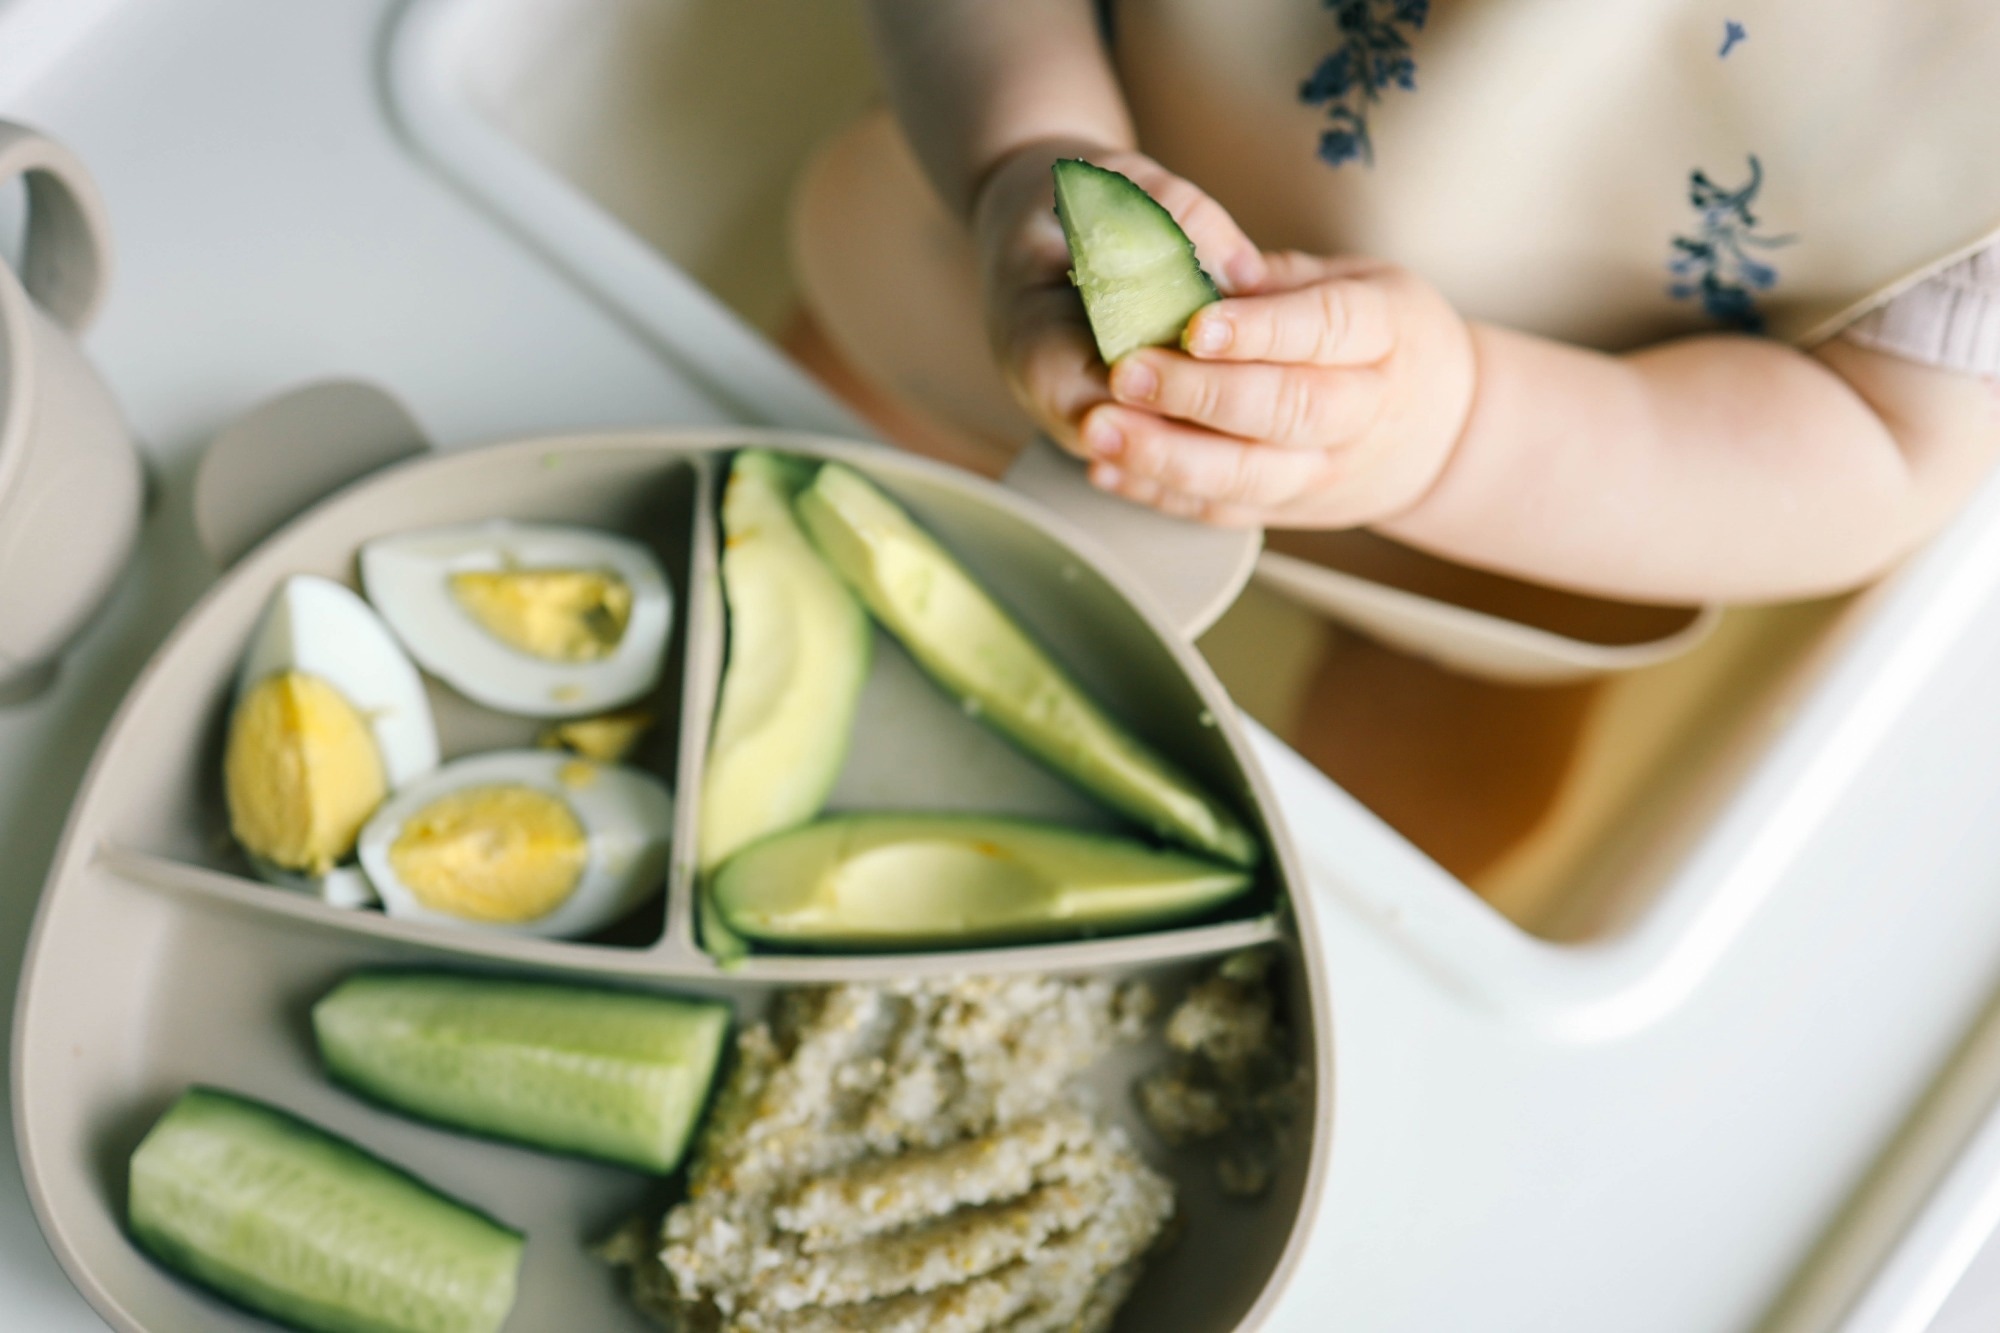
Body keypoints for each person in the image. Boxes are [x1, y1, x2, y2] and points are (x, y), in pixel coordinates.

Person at [792, 0, 2000, 882]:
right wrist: (1018, 145)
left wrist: (1457, 432)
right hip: (1054, 221)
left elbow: (1880, 443)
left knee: (1426, 826)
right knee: (801, 475)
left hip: (1557, 462)